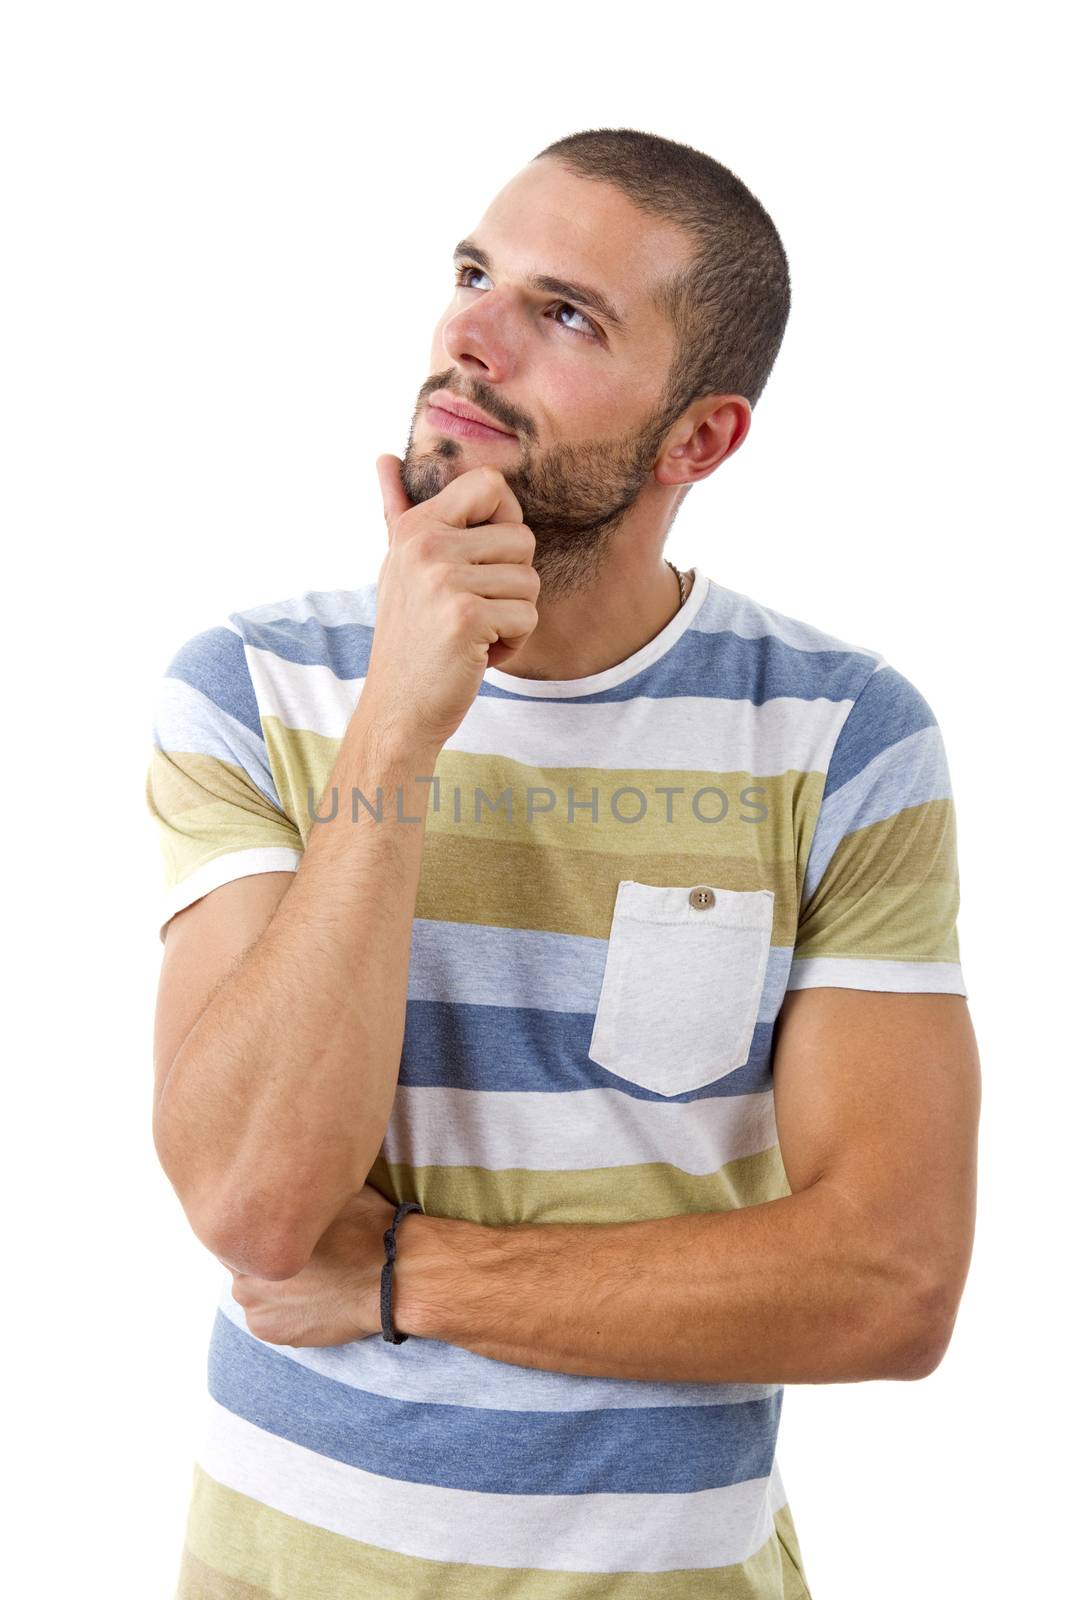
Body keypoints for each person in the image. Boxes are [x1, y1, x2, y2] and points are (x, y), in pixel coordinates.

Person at [146, 127, 981, 1599]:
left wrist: (406, 1277)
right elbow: (259, 1211)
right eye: (474, 274)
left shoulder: (843, 736)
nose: (467, 338)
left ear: (697, 441)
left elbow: (889, 1285)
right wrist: (395, 734)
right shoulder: (259, 688)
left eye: (564, 314)